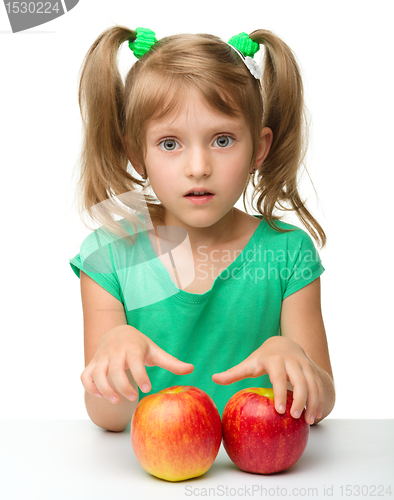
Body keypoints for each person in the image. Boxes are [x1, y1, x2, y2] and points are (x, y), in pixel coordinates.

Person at [69, 26, 335, 432]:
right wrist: (115, 355)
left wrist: (293, 355)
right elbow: (107, 420)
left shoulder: (288, 253)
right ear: (136, 153)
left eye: (223, 140)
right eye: (170, 143)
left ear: (258, 149)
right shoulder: (109, 255)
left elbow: (323, 402)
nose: (198, 167)